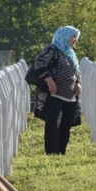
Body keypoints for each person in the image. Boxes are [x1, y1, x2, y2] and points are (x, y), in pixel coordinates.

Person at [33, 25, 82, 154]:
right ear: (64, 37)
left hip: (70, 96)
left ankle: (61, 151)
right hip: (54, 94)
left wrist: (78, 83)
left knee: (66, 124)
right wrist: (49, 80)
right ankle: (51, 152)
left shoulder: (71, 53)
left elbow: (76, 71)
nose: (75, 40)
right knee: (53, 123)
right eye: (73, 37)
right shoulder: (52, 50)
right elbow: (39, 63)